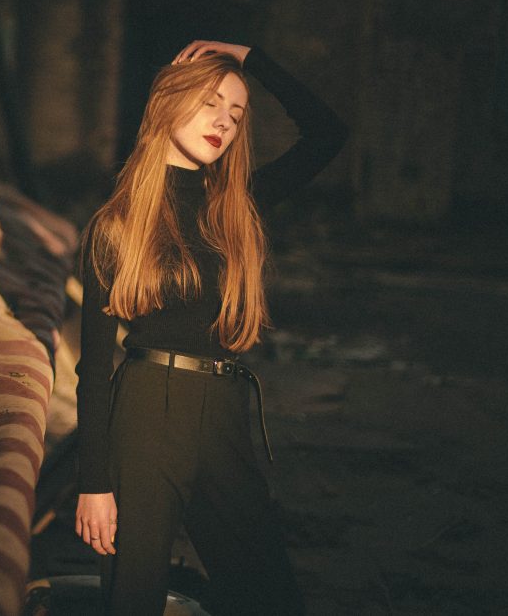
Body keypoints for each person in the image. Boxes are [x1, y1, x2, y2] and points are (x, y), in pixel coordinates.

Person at [72, 39, 348, 615]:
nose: (223, 121)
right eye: (209, 102)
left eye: (236, 113)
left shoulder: (237, 205)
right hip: (146, 412)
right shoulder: (116, 225)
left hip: (224, 409)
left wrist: (250, 56)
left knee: (270, 596)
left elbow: (328, 133)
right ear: (168, 103)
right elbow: (93, 367)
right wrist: (93, 483)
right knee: (134, 599)